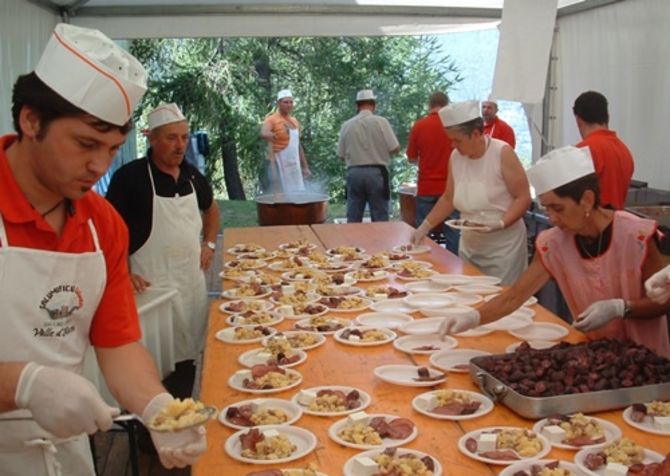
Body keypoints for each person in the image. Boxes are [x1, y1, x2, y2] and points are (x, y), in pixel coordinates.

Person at [0, 23, 206, 475]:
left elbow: (118, 344)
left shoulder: (101, 224)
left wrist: (156, 406)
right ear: (30, 121)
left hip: (63, 452)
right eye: (85, 144)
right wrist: (23, 384)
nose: (98, 166)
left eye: (112, 148)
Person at [438, 146, 670, 359]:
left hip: (648, 360)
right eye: (547, 208)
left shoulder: (637, 236)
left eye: (558, 208)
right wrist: (473, 317)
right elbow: (515, 296)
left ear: (587, 200)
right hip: (595, 356)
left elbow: (663, 301)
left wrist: (620, 307)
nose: (551, 218)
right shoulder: (553, 244)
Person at [106, 103, 219, 370]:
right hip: (151, 285)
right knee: (155, 361)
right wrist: (122, 271)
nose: (180, 145)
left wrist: (210, 243)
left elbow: (211, 209)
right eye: (171, 138)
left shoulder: (192, 174)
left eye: (184, 137)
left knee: (191, 353)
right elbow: (108, 230)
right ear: (152, 138)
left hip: (190, 281)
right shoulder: (129, 178)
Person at [411, 100, 531, 284]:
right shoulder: (456, 157)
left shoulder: (502, 153)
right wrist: (424, 227)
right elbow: (449, 198)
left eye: (457, 140)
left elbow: (523, 197)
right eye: (450, 140)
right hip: (470, 246)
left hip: (503, 249)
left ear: (476, 134)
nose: (452, 145)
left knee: (500, 301)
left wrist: (500, 223)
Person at [406, 92, 460, 254]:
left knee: (424, 229)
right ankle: (454, 264)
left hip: (427, 185)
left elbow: (411, 157)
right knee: (453, 229)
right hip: (451, 187)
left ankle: (423, 264)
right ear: (447, 104)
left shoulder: (419, 126)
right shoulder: (454, 127)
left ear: (429, 105)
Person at [338, 89, 400, 222]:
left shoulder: (346, 125)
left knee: (354, 215)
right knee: (380, 216)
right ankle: (379, 241)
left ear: (357, 106)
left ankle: (352, 241)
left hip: (354, 173)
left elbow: (341, 155)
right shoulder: (381, 122)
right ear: (374, 105)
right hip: (376, 173)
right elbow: (395, 148)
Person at [573, 90, 634, 210]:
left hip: (589, 226)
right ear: (607, 117)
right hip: (616, 224)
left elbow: (573, 202)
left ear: (578, 121)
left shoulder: (583, 151)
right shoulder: (624, 151)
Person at [260, 89, 311, 193]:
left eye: (291, 102)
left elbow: (298, 145)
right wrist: (270, 135)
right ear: (279, 103)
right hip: (278, 162)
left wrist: (305, 167)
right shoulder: (271, 119)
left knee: (296, 193)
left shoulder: (295, 122)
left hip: (293, 163)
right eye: (285, 102)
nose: (289, 105)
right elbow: (263, 133)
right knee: (279, 193)